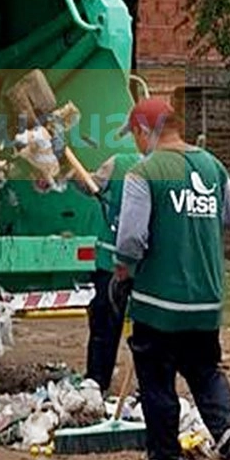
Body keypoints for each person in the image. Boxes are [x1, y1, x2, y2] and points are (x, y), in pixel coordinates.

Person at [111, 97, 230, 460]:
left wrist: (123, 273)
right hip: (206, 299)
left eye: (135, 137)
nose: (136, 145)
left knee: (157, 381)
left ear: (145, 132)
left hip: (160, 300)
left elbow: (130, 237)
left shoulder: (145, 172)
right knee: (205, 371)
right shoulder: (213, 166)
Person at [84, 150, 143, 391]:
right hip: (146, 265)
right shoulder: (172, 167)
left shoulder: (121, 163)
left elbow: (90, 185)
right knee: (148, 330)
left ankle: (98, 382)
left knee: (105, 327)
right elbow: (91, 185)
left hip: (114, 262)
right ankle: (149, 388)